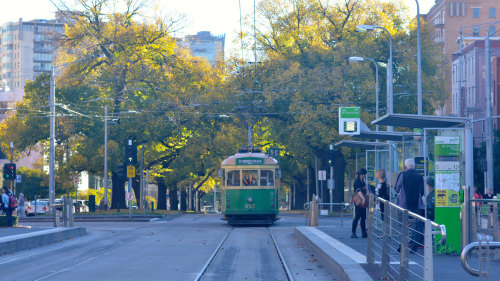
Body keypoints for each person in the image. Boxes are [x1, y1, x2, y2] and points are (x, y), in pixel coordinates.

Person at [395, 159, 425, 253]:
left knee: (403, 225)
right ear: (414, 166)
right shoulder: (420, 176)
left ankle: (402, 245)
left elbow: (396, 188)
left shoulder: (402, 175)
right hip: (416, 205)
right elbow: (422, 192)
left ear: (405, 166)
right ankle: (413, 246)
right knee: (415, 226)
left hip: (403, 204)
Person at [351, 168, 368, 238]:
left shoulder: (362, 182)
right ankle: (353, 232)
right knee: (357, 216)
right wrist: (364, 198)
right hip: (359, 201)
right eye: (364, 175)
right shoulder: (357, 182)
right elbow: (358, 191)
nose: (365, 176)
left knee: (363, 217)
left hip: (362, 202)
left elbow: (364, 191)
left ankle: (364, 233)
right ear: (362, 175)